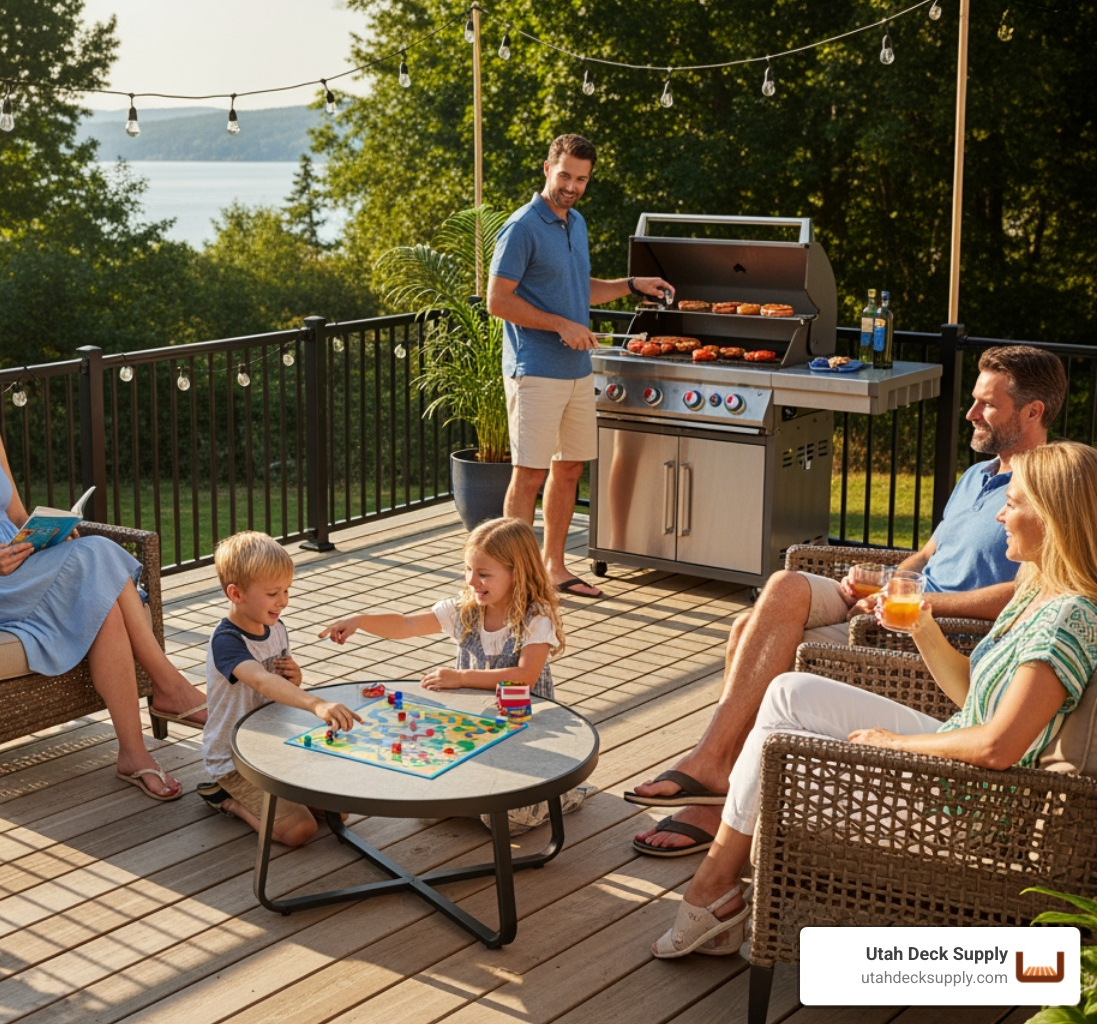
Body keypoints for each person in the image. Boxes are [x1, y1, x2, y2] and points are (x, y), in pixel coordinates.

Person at [650, 440, 1097, 958]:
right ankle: (719, 882)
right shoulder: (1037, 588)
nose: (1000, 514)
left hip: (973, 803)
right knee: (786, 692)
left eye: (1013, 504)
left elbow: (998, 747)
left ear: (1052, 517)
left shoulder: (1067, 619)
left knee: (774, 750)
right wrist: (925, 627)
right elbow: (976, 696)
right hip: (959, 750)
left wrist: (896, 744)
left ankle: (712, 889)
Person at [628, 345, 1068, 857]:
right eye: (973, 400)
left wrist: (922, 605)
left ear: (1033, 412)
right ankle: (714, 766)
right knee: (782, 590)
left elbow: (1032, 590)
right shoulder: (976, 476)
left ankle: (711, 786)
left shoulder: (1046, 490)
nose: (970, 413)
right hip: (899, 604)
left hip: (935, 629)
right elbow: (927, 553)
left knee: (752, 631)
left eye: (986, 404)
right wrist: (887, 580)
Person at [0, 329, 210, 801]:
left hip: (16, 564)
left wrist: (52, 530)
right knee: (99, 557)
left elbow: (15, 514)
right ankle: (170, 687)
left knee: (104, 599)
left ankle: (134, 754)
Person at [487, 133, 675, 600]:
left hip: (576, 370)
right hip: (535, 368)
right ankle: (511, 576)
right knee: (529, 474)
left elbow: (578, 287)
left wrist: (632, 284)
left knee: (568, 469)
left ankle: (553, 568)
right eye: (566, 174)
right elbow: (497, 301)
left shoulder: (576, 223)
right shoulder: (522, 227)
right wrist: (559, 326)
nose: (572, 185)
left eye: (582, 179)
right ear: (547, 168)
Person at [318, 516, 589, 831]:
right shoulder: (465, 609)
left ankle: (560, 796)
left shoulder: (535, 617)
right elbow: (407, 624)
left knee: (506, 821)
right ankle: (475, 795)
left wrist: (461, 678)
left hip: (524, 731)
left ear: (518, 574)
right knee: (428, 808)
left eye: (484, 574)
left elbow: (524, 676)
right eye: (468, 570)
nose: (472, 581)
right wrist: (360, 620)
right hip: (474, 727)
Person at [195, 531, 361, 846]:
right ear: (236, 594)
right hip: (236, 760)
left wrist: (294, 679)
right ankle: (225, 799)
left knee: (337, 814)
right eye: (273, 593)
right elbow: (260, 680)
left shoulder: (275, 627)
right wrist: (315, 704)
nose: (283, 601)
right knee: (301, 831)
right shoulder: (227, 642)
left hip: (274, 749)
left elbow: (277, 683)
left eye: (286, 590)